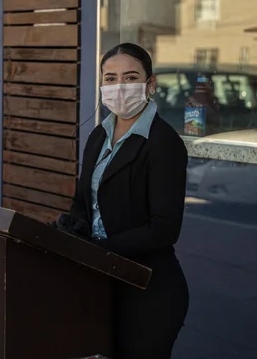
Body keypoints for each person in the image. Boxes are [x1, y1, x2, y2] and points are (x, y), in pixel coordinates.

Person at [62, 43, 189, 359]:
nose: (119, 86)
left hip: (147, 290)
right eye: (111, 78)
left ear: (151, 84)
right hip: (101, 281)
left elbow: (163, 229)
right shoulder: (97, 137)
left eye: (130, 77)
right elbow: (83, 204)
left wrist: (97, 251)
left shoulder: (163, 143)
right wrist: (69, 230)